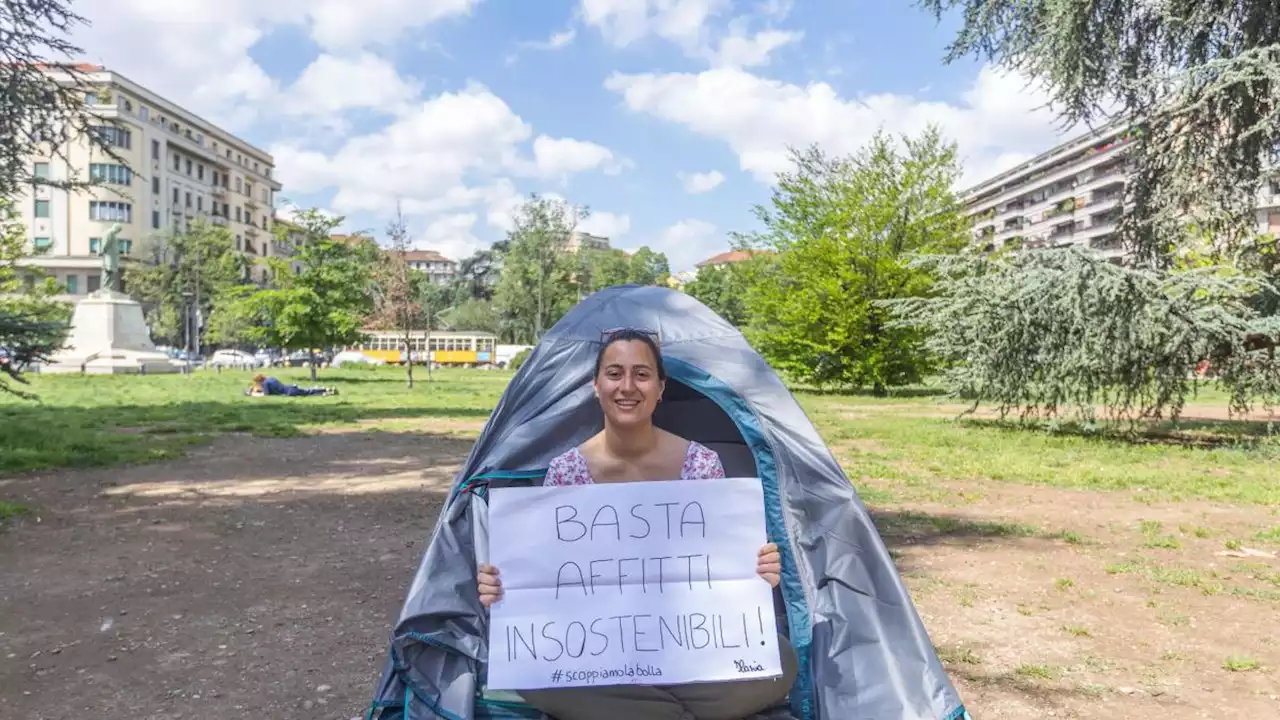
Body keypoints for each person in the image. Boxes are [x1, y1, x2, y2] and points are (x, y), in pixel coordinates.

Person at [477, 328, 799, 720]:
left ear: (661, 387)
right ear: (596, 385)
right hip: (602, 649)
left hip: (687, 642)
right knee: (531, 671)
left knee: (778, 658)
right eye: (614, 373)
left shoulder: (702, 464)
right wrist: (506, 585)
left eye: (642, 374)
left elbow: (724, 568)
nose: (627, 386)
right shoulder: (566, 472)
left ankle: (638, 710)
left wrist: (759, 568)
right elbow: (551, 578)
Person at [246, 373, 337, 397]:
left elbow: (267, 394)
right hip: (290, 387)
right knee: (308, 391)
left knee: (308, 393)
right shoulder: (271, 378)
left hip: (289, 392)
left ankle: (327, 392)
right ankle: (326, 389)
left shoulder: (265, 384)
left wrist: (253, 394)